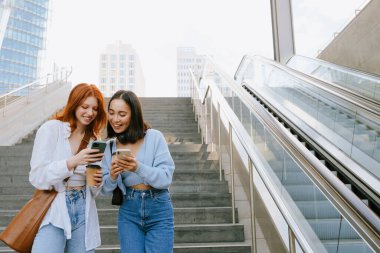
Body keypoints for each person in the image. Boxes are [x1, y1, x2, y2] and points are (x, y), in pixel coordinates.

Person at [29, 83, 107, 252]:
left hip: (83, 207)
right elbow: (37, 176)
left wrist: (97, 181)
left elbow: (94, 190)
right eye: (85, 107)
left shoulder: (94, 138)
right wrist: (72, 161)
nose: (90, 113)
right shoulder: (51, 129)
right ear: (74, 104)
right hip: (55, 207)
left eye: (95, 109)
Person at [101, 90, 175, 253]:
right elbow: (104, 189)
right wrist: (113, 176)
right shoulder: (110, 146)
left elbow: (165, 178)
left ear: (133, 115)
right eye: (111, 113)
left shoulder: (154, 137)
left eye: (122, 114)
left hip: (159, 208)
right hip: (129, 210)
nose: (115, 119)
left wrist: (137, 167)